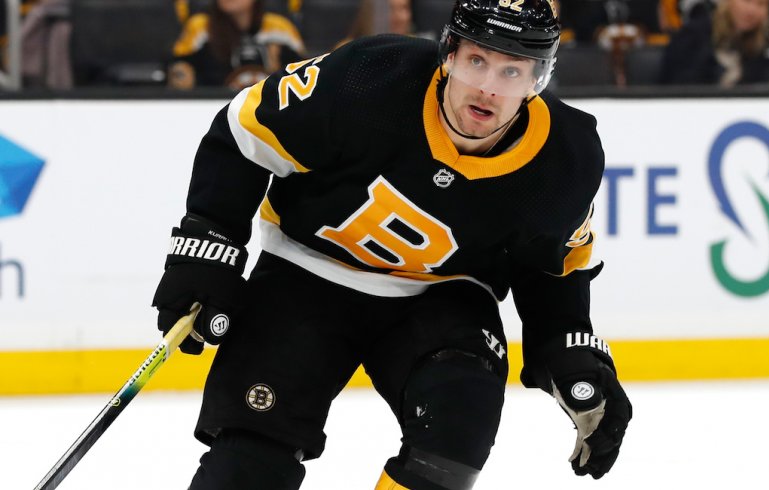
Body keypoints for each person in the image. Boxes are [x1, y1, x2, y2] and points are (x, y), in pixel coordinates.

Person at [151, 0, 632, 488]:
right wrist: (208, 244)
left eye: (512, 70)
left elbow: (551, 267)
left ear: (538, 80)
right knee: (250, 457)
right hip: (305, 273)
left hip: (443, 298)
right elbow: (243, 133)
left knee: (453, 440)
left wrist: (567, 348)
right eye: (477, 60)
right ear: (448, 54)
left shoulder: (566, 157)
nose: (488, 86)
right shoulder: (369, 75)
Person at [168, 0, 304, 90]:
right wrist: (181, 73)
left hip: (269, 112)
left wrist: (278, 69)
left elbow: (305, 74)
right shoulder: (200, 26)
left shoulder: (279, 27)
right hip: (213, 109)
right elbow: (178, 66)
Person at [660, 0, 769, 86]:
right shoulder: (693, 35)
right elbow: (679, 84)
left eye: (761, 4)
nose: (751, 10)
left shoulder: (760, 48)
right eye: (746, 1)